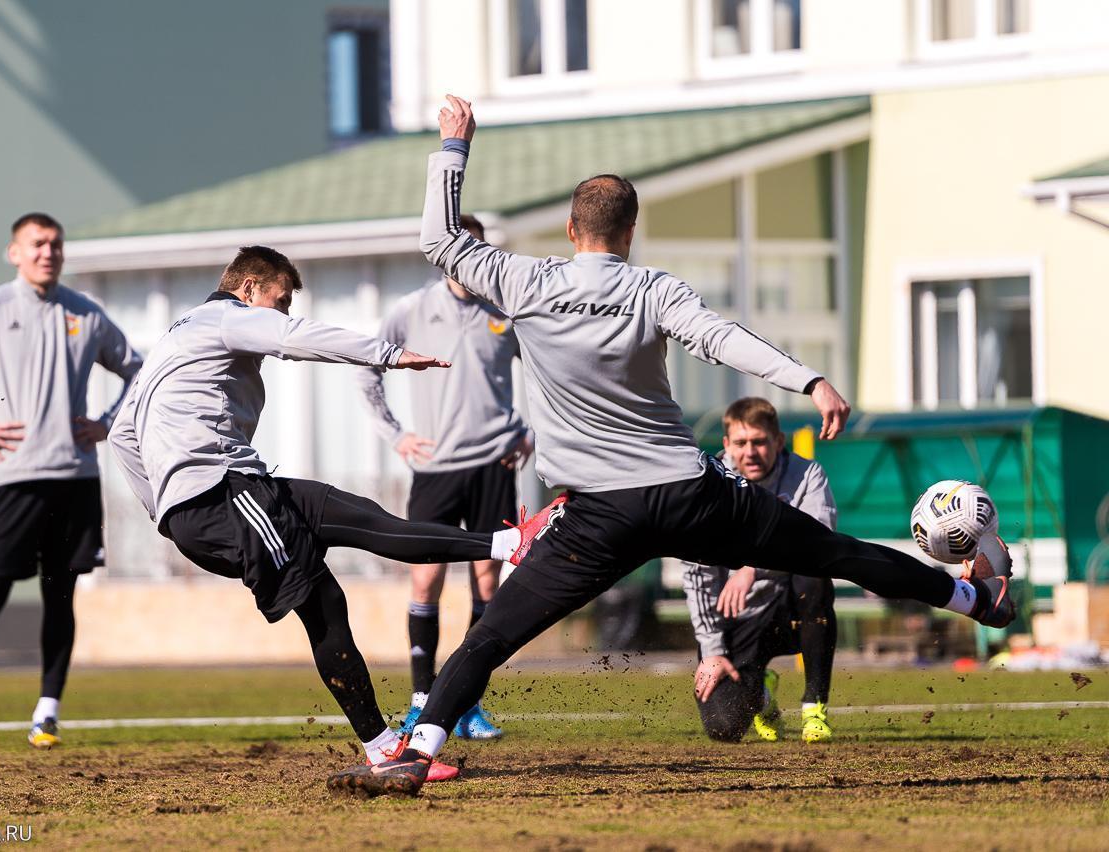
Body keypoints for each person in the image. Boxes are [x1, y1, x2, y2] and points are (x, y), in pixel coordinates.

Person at [327, 95, 1013, 798]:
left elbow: (439, 240)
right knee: (835, 554)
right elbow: (723, 340)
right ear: (630, 231)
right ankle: (975, 599)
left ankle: (420, 751)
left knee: (491, 635)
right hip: (690, 497)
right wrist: (809, 380)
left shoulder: (524, 281)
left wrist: (454, 147)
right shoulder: (654, 289)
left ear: (571, 229)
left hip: (598, 518)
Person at [107, 245, 562, 781]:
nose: (282, 313)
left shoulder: (174, 338)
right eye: (280, 301)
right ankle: (382, 750)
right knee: (323, 602)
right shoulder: (227, 317)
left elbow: (122, 436)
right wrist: (390, 355)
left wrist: (162, 508)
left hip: (237, 491)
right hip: (221, 496)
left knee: (363, 517)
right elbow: (297, 338)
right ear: (248, 289)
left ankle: (509, 544)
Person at [0, 212, 143, 750]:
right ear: (15, 253)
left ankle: (46, 714)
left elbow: (139, 371)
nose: (47, 252)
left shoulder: (86, 313)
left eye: (55, 244)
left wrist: (107, 423)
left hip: (74, 479)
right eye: (37, 244)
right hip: (13, 482)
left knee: (60, 597)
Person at [358, 213, 533, 741]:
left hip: (493, 464)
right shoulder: (410, 310)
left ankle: (467, 703)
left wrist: (530, 432)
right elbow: (368, 368)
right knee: (425, 578)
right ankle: (420, 699)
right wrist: (395, 435)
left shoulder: (504, 312)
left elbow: (549, 371)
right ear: (443, 256)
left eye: (476, 252)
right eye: (459, 251)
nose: (467, 262)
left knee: (488, 581)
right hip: (435, 469)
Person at [683, 397, 839, 744]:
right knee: (724, 727)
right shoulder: (706, 486)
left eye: (759, 441)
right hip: (736, 617)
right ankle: (762, 695)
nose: (750, 452)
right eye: (741, 443)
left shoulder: (807, 475)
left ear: (778, 441)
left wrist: (753, 567)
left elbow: (820, 542)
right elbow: (696, 575)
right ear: (727, 444)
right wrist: (711, 650)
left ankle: (814, 706)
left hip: (790, 607)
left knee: (814, 578)